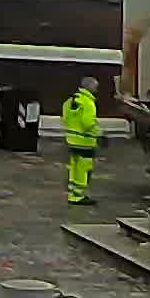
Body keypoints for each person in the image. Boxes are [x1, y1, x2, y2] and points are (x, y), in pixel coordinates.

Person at [59, 77, 101, 207]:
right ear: (90, 88)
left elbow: (65, 117)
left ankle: (73, 195)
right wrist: (99, 134)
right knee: (84, 171)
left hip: (72, 141)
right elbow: (88, 123)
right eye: (96, 87)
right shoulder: (88, 103)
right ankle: (79, 196)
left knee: (74, 169)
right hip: (85, 143)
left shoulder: (71, 100)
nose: (97, 90)